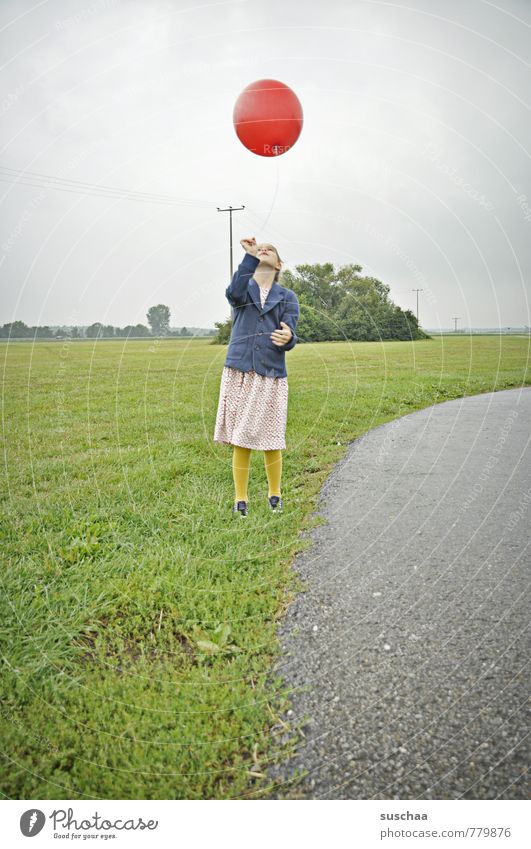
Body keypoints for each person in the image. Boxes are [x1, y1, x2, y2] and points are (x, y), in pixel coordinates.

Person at [213, 236, 300, 517]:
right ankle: (241, 500)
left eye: (271, 249)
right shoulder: (244, 287)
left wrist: (289, 337)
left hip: (270, 373)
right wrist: (249, 256)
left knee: (271, 437)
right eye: (261, 248)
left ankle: (275, 495)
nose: (265, 249)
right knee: (241, 437)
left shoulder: (287, 297)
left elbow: (290, 331)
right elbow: (233, 292)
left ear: (278, 264)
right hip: (239, 370)